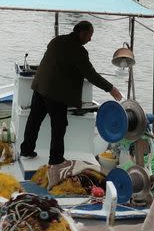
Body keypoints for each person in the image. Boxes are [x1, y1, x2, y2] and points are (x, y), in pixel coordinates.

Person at [20, 20, 123, 166]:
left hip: (40, 86)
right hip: (55, 93)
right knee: (59, 126)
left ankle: (26, 149)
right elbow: (91, 75)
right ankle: (56, 159)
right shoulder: (78, 51)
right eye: (89, 35)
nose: (90, 39)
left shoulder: (57, 40)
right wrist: (110, 88)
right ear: (82, 33)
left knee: (34, 120)